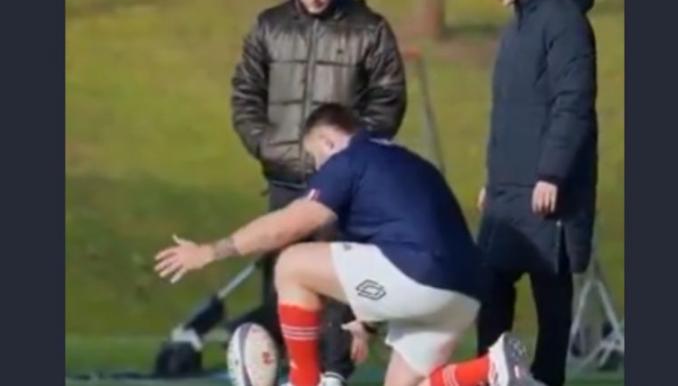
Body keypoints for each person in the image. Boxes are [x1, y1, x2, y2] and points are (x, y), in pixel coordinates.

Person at [155, 104, 543, 386]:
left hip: (419, 277)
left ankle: (303, 381)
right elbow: (399, 243)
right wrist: (362, 323)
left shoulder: (350, 160)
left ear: (327, 139)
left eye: (315, 157)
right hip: (463, 293)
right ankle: (490, 369)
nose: (318, 169)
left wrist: (211, 251)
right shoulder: (408, 163)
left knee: (291, 264)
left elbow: (289, 224)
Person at [229, 0, 406, 385]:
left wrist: (349, 155)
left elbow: (389, 101)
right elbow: (245, 94)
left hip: (344, 186)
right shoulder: (269, 27)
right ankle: (294, 370)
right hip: (285, 180)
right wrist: (268, 147)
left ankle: (334, 373)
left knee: (339, 281)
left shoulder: (370, 30)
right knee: (283, 284)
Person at [473, 0, 599, 385]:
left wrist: (552, 172)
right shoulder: (517, 27)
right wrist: (493, 179)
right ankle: (491, 377)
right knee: (489, 294)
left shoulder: (563, 20)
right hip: (507, 194)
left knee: (552, 305)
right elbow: (506, 111)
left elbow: (574, 101)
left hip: (550, 194)